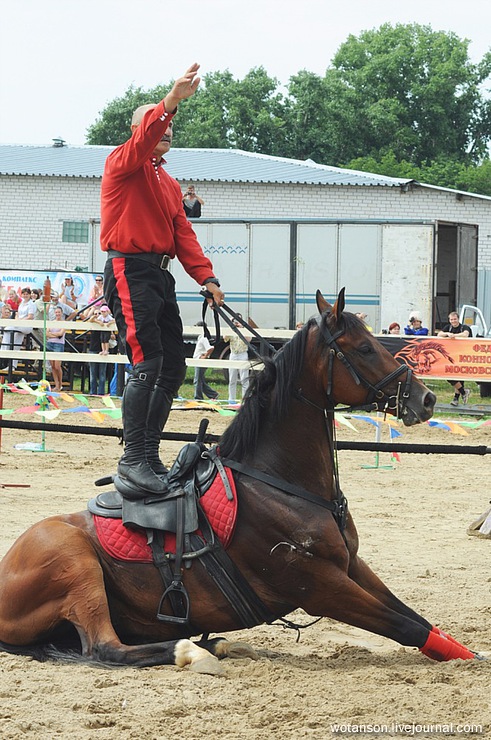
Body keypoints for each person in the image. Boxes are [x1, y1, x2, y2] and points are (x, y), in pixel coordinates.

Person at [100, 62, 225, 494]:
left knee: (173, 362)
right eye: (157, 126)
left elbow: (182, 234)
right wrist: (169, 102)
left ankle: (148, 454)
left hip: (159, 275)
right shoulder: (123, 161)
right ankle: (133, 458)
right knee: (147, 360)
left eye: (170, 127)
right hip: (128, 269)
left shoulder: (169, 183)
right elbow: (145, 137)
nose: (166, 131)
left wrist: (206, 277)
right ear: (139, 130)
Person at [438, 311, 472, 406]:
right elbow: (439, 334)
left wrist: (454, 336)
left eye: (455, 319)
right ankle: (464, 392)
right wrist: (448, 334)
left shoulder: (464, 327)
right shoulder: (448, 328)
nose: (453, 321)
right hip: (450, 356)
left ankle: (456, 399)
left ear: (458, 319)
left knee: (459, 377)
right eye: (451, 319)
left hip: (463, 356)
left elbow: (465, 334)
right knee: (449, 376)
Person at [225, 315, 250, 404]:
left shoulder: (245, 329)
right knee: (232, 378)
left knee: (244, 378)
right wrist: (230, 325)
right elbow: (225, 338)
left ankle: (245, 400)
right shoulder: (231, 330)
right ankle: (231, 399)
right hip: (233, 354)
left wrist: (242, 328)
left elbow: (249, 339)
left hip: (243, 354)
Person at [193, 324, 218, 400]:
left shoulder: (204, 338)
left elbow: (210, 348)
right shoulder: (200, 337)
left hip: (201, 362)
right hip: (197, 361)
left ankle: (198, 398)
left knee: (197, 380)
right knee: (201, 381)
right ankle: (213, 394)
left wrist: (205, 356)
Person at [88, 309, 109, 395]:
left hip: (102, 350)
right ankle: (93, 392)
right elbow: (90, 319)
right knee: (92, 374)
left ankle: (101, 393)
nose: (97, 315)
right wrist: (96, 318)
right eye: (95, 313)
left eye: (99, 313)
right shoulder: (93, 324)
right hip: (93, 349)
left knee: (102, 374)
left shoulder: (105, 323)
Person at [45, 305, 66, 391]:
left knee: (57, 366)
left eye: (59, 312)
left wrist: (52, 335)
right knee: (53, 366)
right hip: (50, 344)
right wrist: (55, 335)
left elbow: (61, 334)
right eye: (56, 312)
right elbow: (47, 333)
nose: (57, 314)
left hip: (59, 344)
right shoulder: (51, 322)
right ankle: (56, 385)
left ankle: (60, 383)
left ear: (61, 313)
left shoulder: (64, 323)